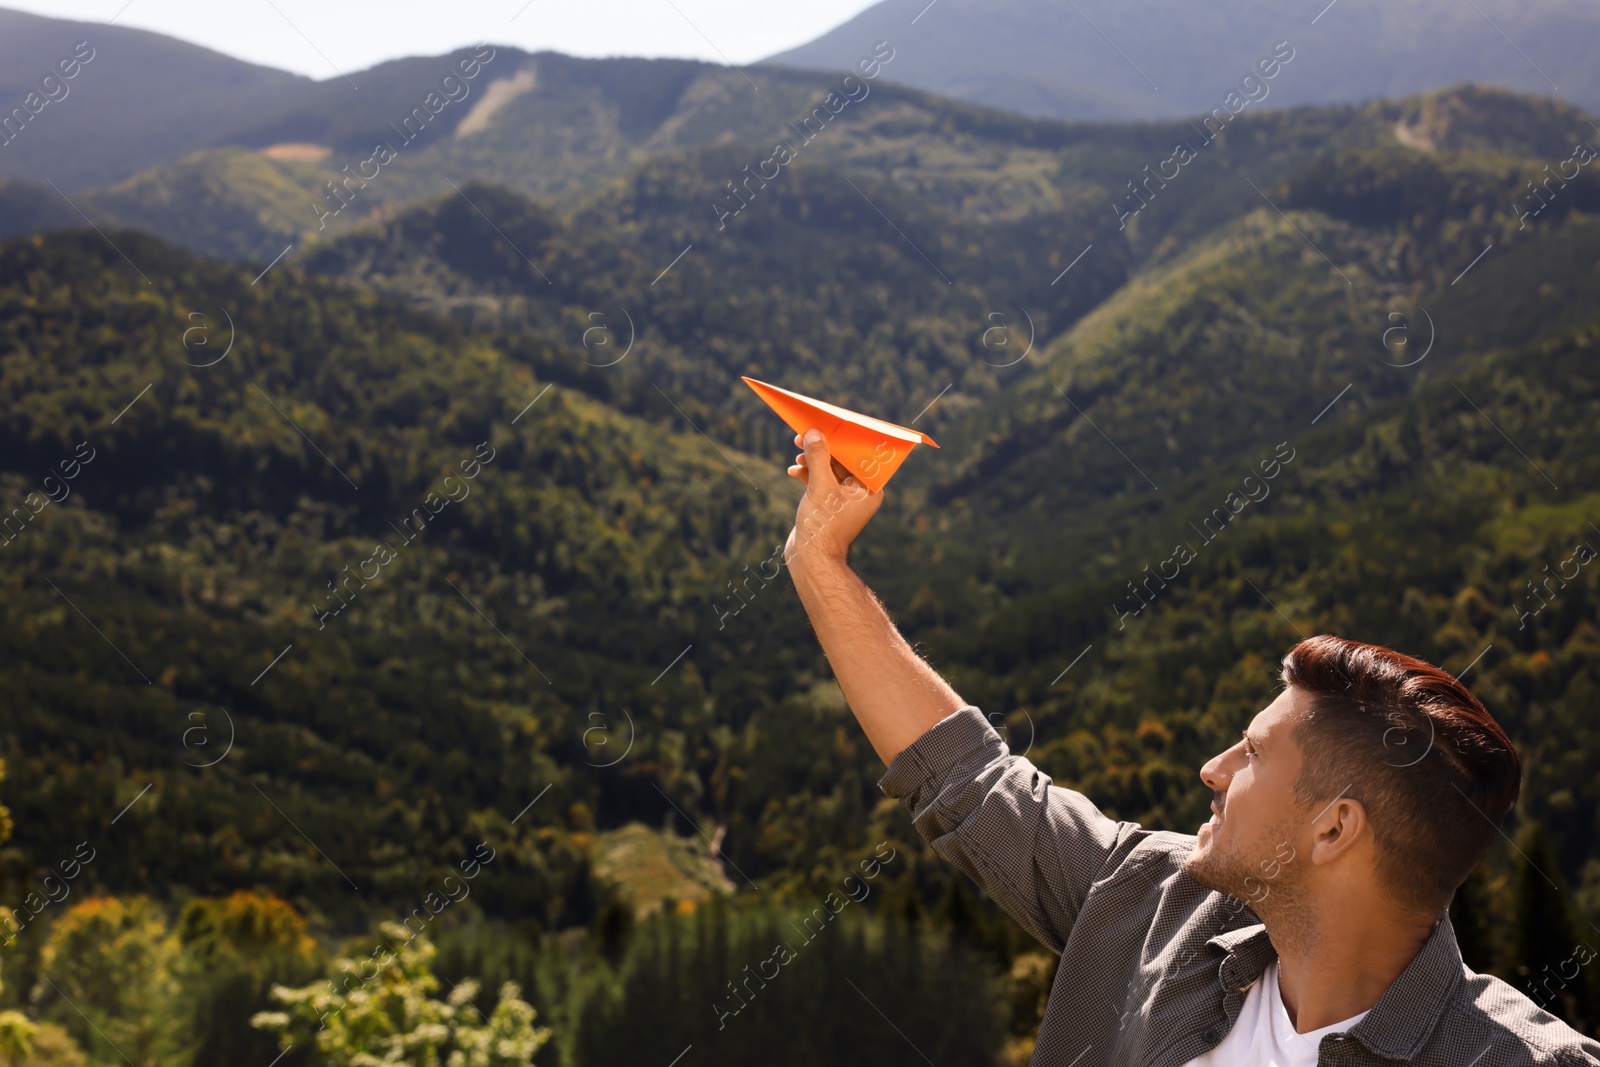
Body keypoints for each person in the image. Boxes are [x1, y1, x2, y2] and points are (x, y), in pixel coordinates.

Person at [782, 427, 1600, 1066]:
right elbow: (966, 775)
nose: (1212, 768)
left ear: (1333, 829)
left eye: (1251, 752)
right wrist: (819, 561)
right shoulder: (1151, 901)